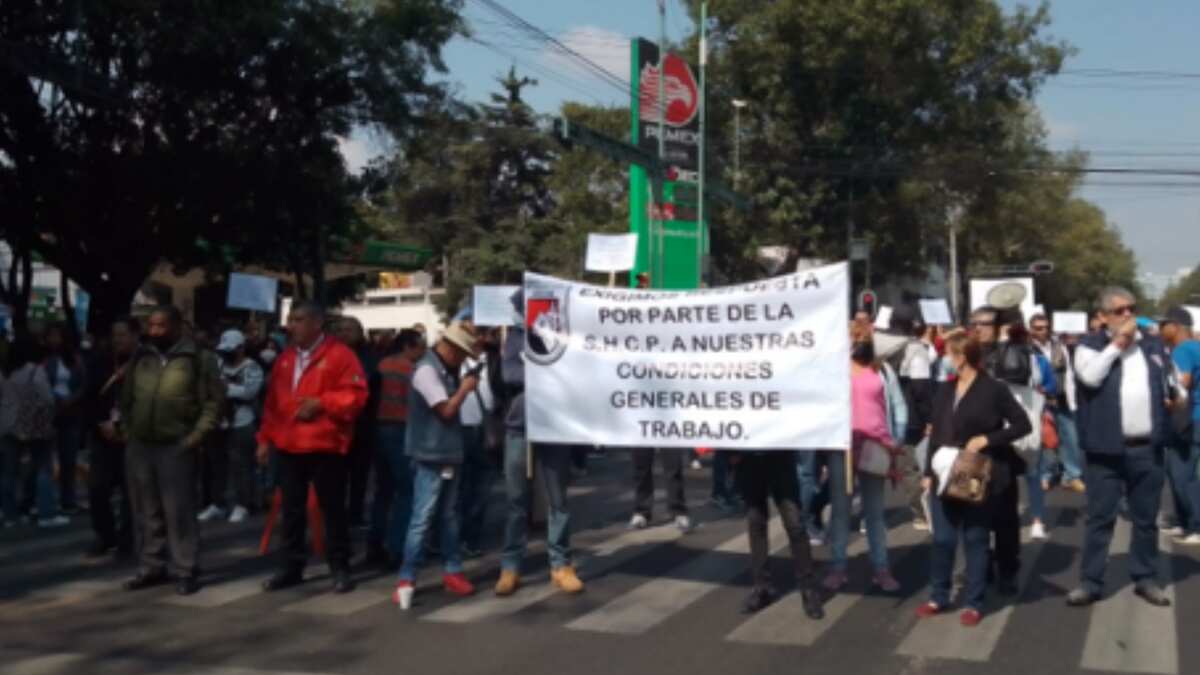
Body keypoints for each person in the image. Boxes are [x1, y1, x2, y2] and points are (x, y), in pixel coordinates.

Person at [1067, 287, 1173, 608]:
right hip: (1106, 449)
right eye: (1119, 311)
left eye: (1131, 309)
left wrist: (1176, 397)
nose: (1128, 315)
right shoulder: (1089, 347)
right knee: (1101, 518)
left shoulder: (1153, 346)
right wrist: (1117, 345)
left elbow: (1169, 380)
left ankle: (1145, 576)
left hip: (1147, 449)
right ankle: (1091, 581)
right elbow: (1090, 378)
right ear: (1102, 317)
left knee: (1145, 519)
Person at [916, 331, 1031, 627]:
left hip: (974, 469)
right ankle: (938, 595)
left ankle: (974, 602)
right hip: (944, 470)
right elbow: (936, 433)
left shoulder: (994, 390)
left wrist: (987, 439)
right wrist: (928, 473)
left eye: (949, 355)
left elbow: (1022, 424)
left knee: (976, 538)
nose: (945, 360)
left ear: (962, 357)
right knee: (942, 538)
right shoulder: (944, 390)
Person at [256, 301, 367, 595]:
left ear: (317, 323)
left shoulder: (340, 355)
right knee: (291, 510)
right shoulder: (285, 359)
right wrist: (265, 439)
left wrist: (322, 404)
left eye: (299, 319)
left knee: (333, 510)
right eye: (291, 320)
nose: (291, 326)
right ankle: (291, 567)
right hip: (289, 445)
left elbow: (356, 395)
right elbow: (273, 405)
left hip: (325, 444)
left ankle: (340, 567)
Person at [120, 306, 224, 596]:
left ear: (177, 327)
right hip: (141, 445)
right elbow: (127, 397)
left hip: (176, 446)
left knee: (178, 512)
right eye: (151, 325)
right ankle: (151, 566)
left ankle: (185, 568)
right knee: (145, 509)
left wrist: (195, 437)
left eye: (161, 326)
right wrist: (129, 431)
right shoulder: (142, 357)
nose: (154, 331)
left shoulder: (199, 359)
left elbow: (214, 403)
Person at [494, 300, 583, 599]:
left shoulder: (564, 336)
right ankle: (511, 565)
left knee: (558, 499)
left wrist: (545, 372)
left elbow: (576, 374)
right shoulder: (516, 337)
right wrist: (548, 373)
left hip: (555, 426)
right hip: (520, 427)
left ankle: (561, 564)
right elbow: (510, 375)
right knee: (516, 501)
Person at [393, 322, 482, 609]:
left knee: (448, 515)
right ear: (452, 348)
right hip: (430, 454)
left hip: (446, 453)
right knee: (424, 516)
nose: (463, 358)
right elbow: (445, 410)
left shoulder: (441, 368)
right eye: (462, 352)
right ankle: (407, 578)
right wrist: (465, 389)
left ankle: (451, 570)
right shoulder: (427, 371)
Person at [824, 329, 908, 593]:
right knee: (840, 511)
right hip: (843, 448)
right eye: (855, 338)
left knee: (874, 512)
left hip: (877, 447)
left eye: (864, 339)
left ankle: (881, 568)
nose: (859, 343)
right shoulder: (835, 370)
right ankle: (838, 566)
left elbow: (898, 405)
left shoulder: (882, 370)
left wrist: (896, 441)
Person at [969, 306, 1031, 594]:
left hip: (1001, 447)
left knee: (1005, 516)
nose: (979, 329)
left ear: (997, 327)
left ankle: (1007, 568)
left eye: (986, 324)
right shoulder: (967, 354)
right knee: (974, 513)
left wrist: (1008, 340)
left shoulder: (1010, 352)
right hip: (971, 448)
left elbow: (1018, 372)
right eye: (975, 324)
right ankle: (981, 566)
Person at [737, 448, 825, 619]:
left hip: (780, 457)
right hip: (749, 457)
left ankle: (808, 590)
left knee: (795, 524)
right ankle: (761, 587)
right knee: (756, 522)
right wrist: (729, 453)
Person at [365, 328, 425, 570]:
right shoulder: (412, 370)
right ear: (408, 346)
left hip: (380, 429)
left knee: (383, 491)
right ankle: (397, 547)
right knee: (406, 492)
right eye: (420, 346)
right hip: (402, 430)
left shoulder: (382, 365)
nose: (423, 351)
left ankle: (374, 544)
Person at [84, 317, 140, 556]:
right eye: (115, 335)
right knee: (97, 489)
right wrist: (100, 423)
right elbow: (90, 397)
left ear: (136, 335)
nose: (118, 340)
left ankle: (127, 539)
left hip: (133, 437)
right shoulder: (100, 362)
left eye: (123, 335)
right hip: (104, 436)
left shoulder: (145, 362)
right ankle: (105, 535)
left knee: (131, 493)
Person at [0, 338, 67, 528]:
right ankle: (47, 513)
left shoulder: (5, 372)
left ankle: (10, 515)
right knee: (43, 468)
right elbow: (47, 399)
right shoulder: (35, 370)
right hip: (35, 426)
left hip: (8, 426)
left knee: (8, 473)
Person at [457, 326, 501, 559]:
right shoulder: (453, 362)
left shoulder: (495, 360)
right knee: (459, 487)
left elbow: (502, 390)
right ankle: (454, 536)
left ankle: (471, 537)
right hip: (459, 430)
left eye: (479, 335)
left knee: (482, 487)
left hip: (485, 429)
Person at [1158, 307, 1200, 545]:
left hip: (1188, 418)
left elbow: (1182, 384)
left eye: (1165, 324)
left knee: (1183, 473)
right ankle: (1184, 522)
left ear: (1176, 326)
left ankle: (1196, 524)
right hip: (1192, 417)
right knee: (1177, 471)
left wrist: (1167, 401)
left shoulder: (1182, 350)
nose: (1162, 329)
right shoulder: (1196, 346)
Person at [1031, 314, 1085, 494]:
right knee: (1046, 440)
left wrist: (1072, 400)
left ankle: (1072, 475)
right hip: (1040, 401)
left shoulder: (1059, 346)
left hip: (1062, 399)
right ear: (1031, 329)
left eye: (1045, 327)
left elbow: (1069, 372)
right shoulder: (1028, 349)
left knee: (1070, 437)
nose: (1042, 331)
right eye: (1038, 328)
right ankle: (1046, 475)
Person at [214, 329, 264, 524]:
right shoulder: (220, 364)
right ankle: (218, 504)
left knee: (242, 466)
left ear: (241, 348)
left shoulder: (252, 367)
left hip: (243, 422)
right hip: (220, 422)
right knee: (218, 465)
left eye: (231, 349)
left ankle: (243, 504)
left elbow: (250, 392)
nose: (226, 353)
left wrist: (226, 389)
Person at [336, 317, 380, 530]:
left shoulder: (371, 357)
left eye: (349, 329)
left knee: (360, 474)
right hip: (337, 425)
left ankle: (355, 514)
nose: (345, 333)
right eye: (341, 330)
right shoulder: (331, 356)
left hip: (363, 424)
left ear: (360, 333)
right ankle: (337, 515)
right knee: (337, 475)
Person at [45, 322, 87, 515]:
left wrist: (71, 399)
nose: (54, 340)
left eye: (57, 335)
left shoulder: (76, 360)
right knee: (47, 459)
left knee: (69, 459)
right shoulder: (46, 360)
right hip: (51, 413)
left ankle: (67, 498)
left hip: (71, 413)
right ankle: (48, 499)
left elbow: (84, 385)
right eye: (51, 336)